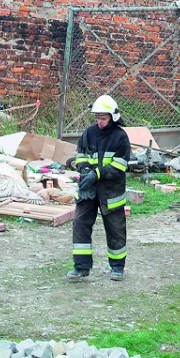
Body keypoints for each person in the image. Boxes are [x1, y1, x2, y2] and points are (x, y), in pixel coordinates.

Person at [68, 95, 131, 282]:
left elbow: (119, 166)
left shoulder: (121, 137)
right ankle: (81, 267)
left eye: (103, 118)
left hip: (111, 191)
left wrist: (96, 174)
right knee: (80, 224)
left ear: (113, 117)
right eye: (97, 118)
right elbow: (81, 155)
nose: (100, 122)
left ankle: (117, 268)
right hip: (89, 190)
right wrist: (85, 170)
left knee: (115, 229)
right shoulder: (89, 133)